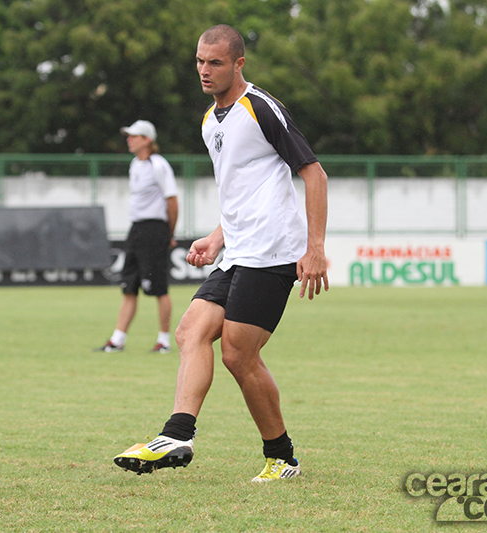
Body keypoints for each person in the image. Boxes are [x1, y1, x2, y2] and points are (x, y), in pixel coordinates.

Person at [113, 25, 329, 482]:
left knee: (238, 353)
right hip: (238, 249)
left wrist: (315, 249)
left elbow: (314, 174)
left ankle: (283, 459)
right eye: (199, 61)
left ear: (238, 64)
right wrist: (217, 237)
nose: (204, 71)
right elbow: (240, 193)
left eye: (214, 62)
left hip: (271, 251)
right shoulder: (211, 121)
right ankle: (177, 435)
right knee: (191, 330)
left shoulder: (261, 108)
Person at [96, 120, 179, 354]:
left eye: (134, 136)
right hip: (136, 230)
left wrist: (169, 233)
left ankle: (163, 340)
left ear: (147, 140)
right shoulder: (134, 165)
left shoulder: (159, 165)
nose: (129, 139)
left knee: (159, 287)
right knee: (129, 286)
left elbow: (172, 201)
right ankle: (118, 339)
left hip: (155, 229)